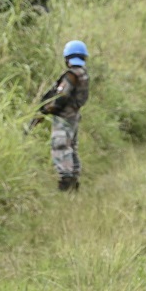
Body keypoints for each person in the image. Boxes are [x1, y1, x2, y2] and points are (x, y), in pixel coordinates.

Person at [37, 40, 90, 191]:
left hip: (64, 117)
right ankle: (74, 178)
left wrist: (46, 110)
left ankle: (66, 181)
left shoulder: (71, 75)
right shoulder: (83, 74)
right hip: (73, 116)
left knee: (60, 146)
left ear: (67, 58)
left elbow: (60, 97)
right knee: (71, 147)